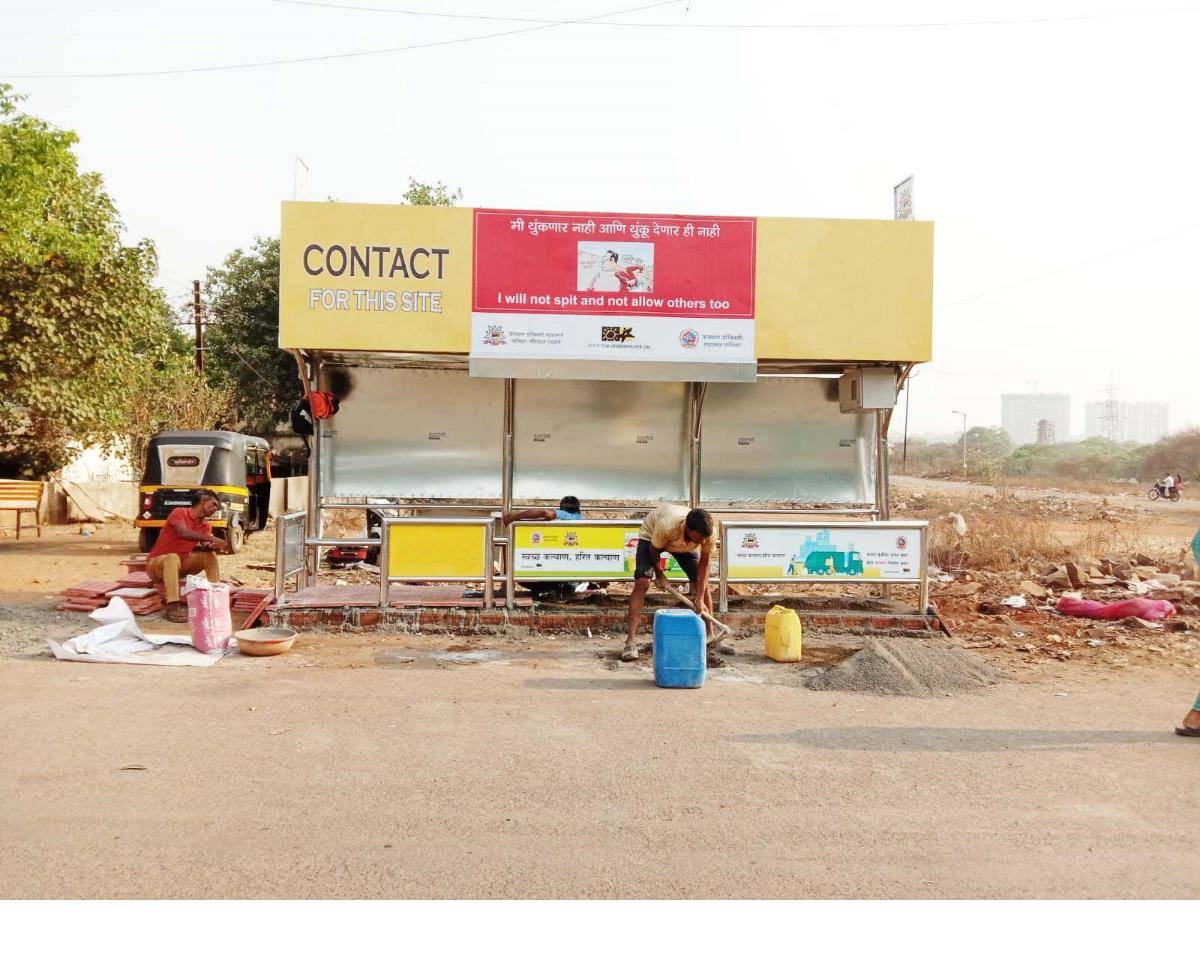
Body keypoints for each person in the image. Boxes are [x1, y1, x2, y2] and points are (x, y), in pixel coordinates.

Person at [622, 505, 718, 662]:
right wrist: (660, 574)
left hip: (683, 544)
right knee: (643, 582)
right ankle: (630, 641)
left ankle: (711, 635)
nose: (703, 542)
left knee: (702, 582)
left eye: (704, 539)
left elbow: (705, 563)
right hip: (652, 537)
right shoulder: (667, 526)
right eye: (699, 539)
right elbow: (654, 550)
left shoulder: (708, 534)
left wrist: (699, 597)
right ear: (688, 529)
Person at [145, 489, 227, 623]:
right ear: (202, 501)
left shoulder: (206, 526)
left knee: (210, 556)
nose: (214, 509)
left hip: (179, 566)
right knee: (172, 557)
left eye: (216, 507)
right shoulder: (179, 512)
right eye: (213, 504)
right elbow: (183, 533)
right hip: (156, 565)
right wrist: (211, 538)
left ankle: (216, 598)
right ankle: (172, 606)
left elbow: (206, 544)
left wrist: (212, 546)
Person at [502, 496, 585, 602]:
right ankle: (561, 589)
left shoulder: (564, 515)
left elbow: (546, 513)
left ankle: (554, 589)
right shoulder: (581, 519)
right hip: (572, 569)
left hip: (553, 571)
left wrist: (513, 517)